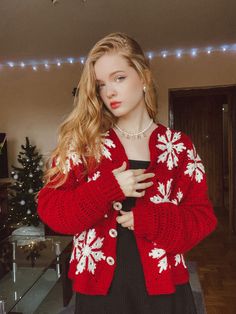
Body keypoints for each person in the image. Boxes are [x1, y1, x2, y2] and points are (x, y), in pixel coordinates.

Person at [37, 32, 217, 314]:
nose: (109, 91)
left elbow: (202, 218)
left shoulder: (179, 147)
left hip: (164, 293)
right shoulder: (84, 144)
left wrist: (150, 218)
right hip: (101, 295)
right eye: (101, 84)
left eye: (119, 78)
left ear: (143, 77)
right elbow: (52, 212)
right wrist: (107, 189)